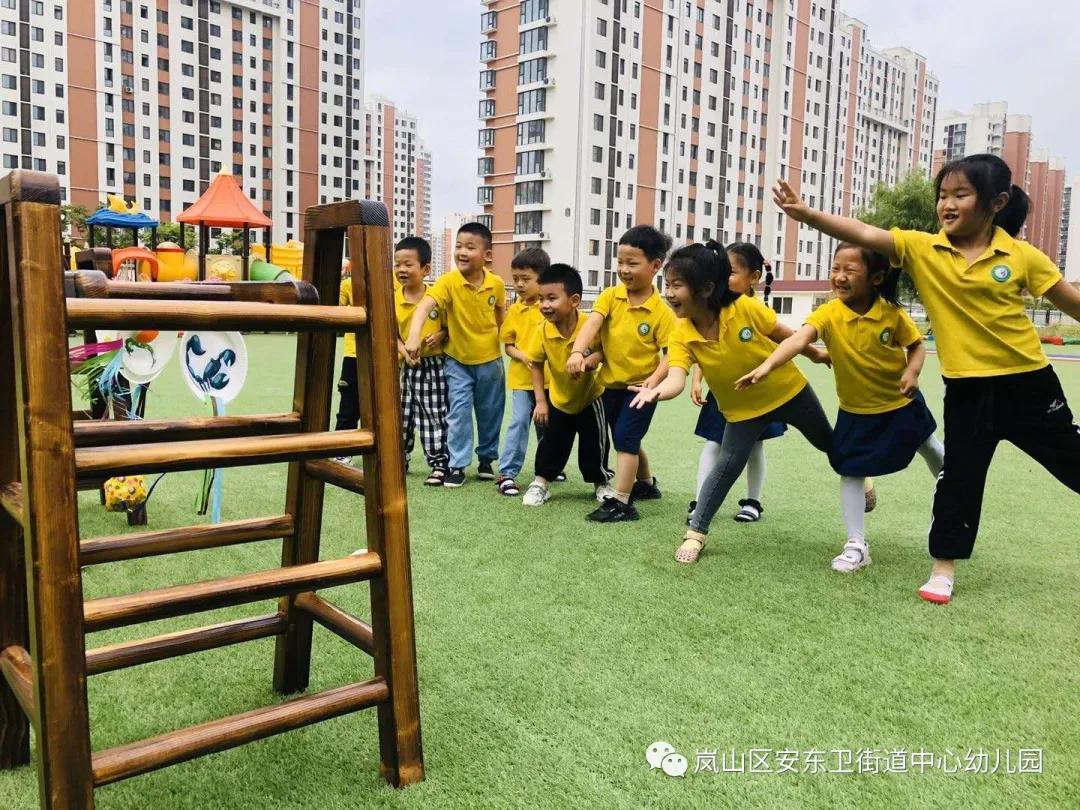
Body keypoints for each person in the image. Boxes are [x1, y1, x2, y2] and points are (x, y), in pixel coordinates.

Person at [772, 153, 1080, 603]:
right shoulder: (922, 248)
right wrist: (807, 215)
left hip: (1028, 383)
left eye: (961, 195)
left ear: (996, 202)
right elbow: (862, 232)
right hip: (967, 390)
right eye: (943, 195)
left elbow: (1072, 304)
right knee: (959, 476)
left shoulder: (1022, 257)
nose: (947, 205)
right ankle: (943, 567)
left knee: (1071, 459)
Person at [737, 243, 944, 573]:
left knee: (931, 448)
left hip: (900, 404)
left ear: (876, 278)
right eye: (835, 268)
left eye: (850, 270)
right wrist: (768, 365)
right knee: (850, 470)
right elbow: (798, 339)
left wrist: (912, 372)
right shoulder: (828, 313)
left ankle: (953, 498)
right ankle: (856, 543)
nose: (840, 276)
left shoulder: (891, 313)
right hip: (855, 411)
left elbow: (916, 346)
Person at [629, 241, 832, 564]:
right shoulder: (681, 332)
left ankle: (861, 478)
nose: (669, 294)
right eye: (667, 285)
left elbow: (784, 333)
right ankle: (695, 534)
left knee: (828, 444)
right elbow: (677, 378)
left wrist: (816, 354)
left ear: (707, 288)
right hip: (742, 410)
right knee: (726, 467)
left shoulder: (744, 308)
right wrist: (657, 391)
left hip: (789, 391)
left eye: (677, 286)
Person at [567, 225, 674, 522]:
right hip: (610, 385)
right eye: (620, 262)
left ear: (655, 266)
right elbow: (592, 324)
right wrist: (578, 352)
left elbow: (671, 354)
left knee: (626, 438)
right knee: (625, 438)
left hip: (640, 389)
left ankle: (622, 502)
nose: (624, 269)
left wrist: (653, 382)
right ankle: (647, 484)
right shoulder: (610, 296)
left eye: (632, 263)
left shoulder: (662, 313)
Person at [688, 243, 786, 524]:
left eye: (730, 273)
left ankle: (753, 502)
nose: (724, 279)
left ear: (754, 277)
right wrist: (697, 379)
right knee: (712, 444)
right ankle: (700, 502)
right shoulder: (715, 309)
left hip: (758, 392)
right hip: (723, 391)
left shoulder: (758, 311)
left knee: (755, 447)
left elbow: (780, 346)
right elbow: (707, 347)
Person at [405, 222, 506, 488]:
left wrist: (510, 343)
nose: (462, 252)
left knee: (490, 413)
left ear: (487, 255)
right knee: (458, 413)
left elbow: (502, 318)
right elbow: (424, 307)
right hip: (457, 362)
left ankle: (486, 459)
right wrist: (414, 336)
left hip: (490, 362)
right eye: (459, 246)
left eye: (470, 247)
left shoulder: (496, 284)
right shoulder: (448, 282)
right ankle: (458, 464)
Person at [521, 264, 614, 506]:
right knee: (552, 443)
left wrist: (593, 358)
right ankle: (541, 482)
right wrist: (540, 401)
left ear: (574, 301)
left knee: (595, 444)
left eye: (552, 298)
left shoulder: (590, 325)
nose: (544, 305)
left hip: (590, 397)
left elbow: (605, 351)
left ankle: (601, 482)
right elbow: (536, 365)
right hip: (559, 399)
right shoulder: (542, 331)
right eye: (541, 299)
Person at [496, 247, 554, 496]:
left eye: (525, 279)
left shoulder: (550, 308)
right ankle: (507, 473)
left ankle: (549, 467)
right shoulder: (515, 311)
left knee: (548, 426)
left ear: (543, 278)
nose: (519, 284)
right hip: (522, 380)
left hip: (551, 381)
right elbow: (508, 346)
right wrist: (523, 357)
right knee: (519, 421)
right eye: (516, 279)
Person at [393, 237, 450, 485]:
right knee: (401, 415)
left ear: (426, 269)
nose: (401, 270)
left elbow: (449, 328)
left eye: (408, 264)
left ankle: (439, 463)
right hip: (404, 366)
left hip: (433, 366)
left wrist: (439, 336)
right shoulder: (393, 298)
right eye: (397, 264)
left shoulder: (436, 298)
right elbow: (392, 335)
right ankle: (399, 460)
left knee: (433, 414)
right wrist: (405, 352)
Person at [334, 261, 360, 463]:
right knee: (349, 403)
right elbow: (336, 311)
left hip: (388, 354)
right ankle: (342, 448)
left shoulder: (393, 284)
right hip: (353, 354)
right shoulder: (348, 284)